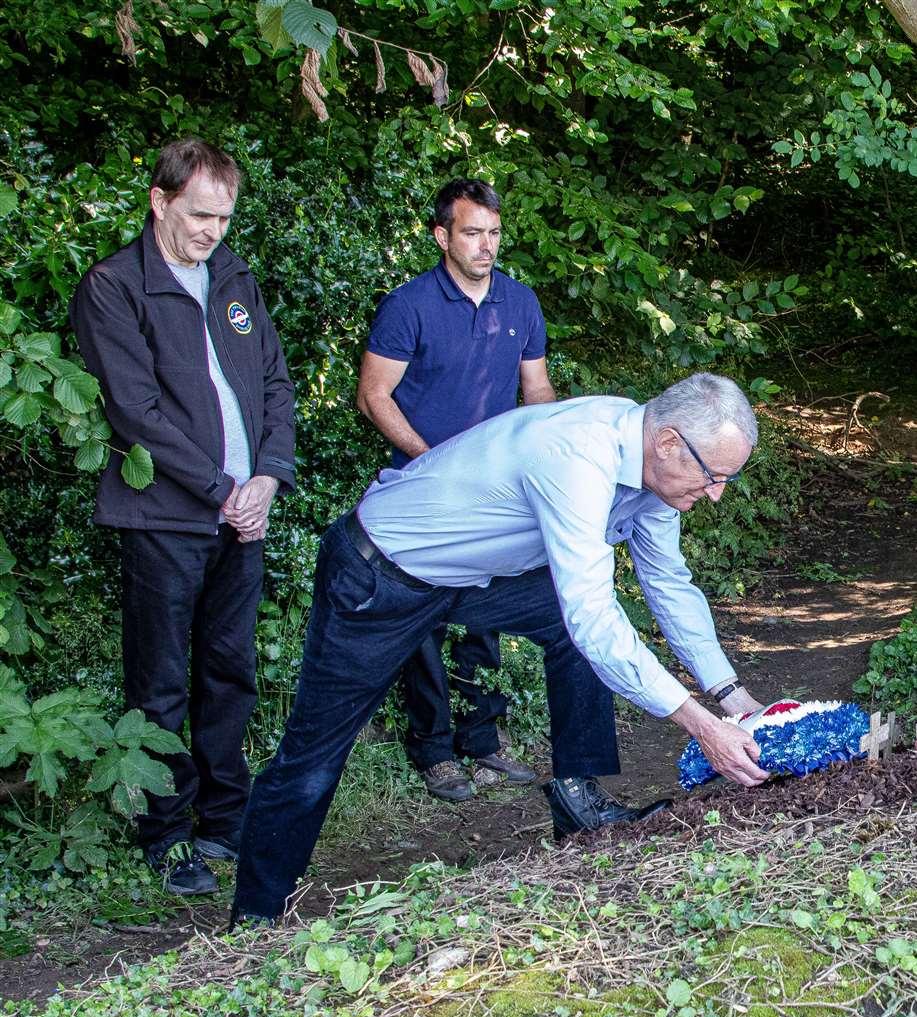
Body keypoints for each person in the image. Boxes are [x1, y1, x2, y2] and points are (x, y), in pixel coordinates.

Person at [231, 373, 772, 925]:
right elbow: (594, 613)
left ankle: (578, 801)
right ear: (669, 444)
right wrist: (701, 726)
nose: (716, 494)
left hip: (469, 577)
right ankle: (256, 916)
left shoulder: (655, 473)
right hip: (382, 573)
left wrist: (733, 698)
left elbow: (667, 582)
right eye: (714, 476)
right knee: (315, 753)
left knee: (568, 629)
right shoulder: (577, 455)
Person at [70, 138, 297, 896]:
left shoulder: (234, 276)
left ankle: (226, 818)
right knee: (162, 683)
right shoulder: (113, 286)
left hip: (244, 515)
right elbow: (133, 411)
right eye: (199, 215)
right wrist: (218, 487)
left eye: (224, 218)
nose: (212, 232)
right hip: (166, 517)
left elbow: (274, 383)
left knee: (230, 672)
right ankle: (166, 834)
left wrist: (267, 476)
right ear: (160, 201)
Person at [357, 178, 553, 802]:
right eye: (472, 233)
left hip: (498, 493)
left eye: (494, 232)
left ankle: (484, 739)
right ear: (443, 236)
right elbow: (373, 395)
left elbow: (538, 392)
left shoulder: (520, 304)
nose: (485, 245)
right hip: (424, 491)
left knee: (485, 618)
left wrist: (544, 456)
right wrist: (432, 461)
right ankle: (434, 749)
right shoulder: (408, 306)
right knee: (425, 620)